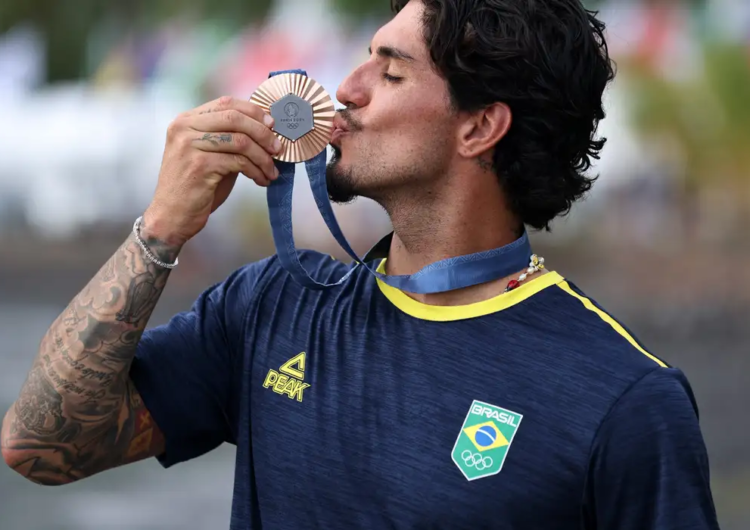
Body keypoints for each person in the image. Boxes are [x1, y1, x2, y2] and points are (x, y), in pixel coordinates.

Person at [1, 0, 720, 529]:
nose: (345, 88)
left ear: (479, 127)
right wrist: (159, 232)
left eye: (391, 71)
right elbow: (40, 445)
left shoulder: (626, 399)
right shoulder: (274, 306)